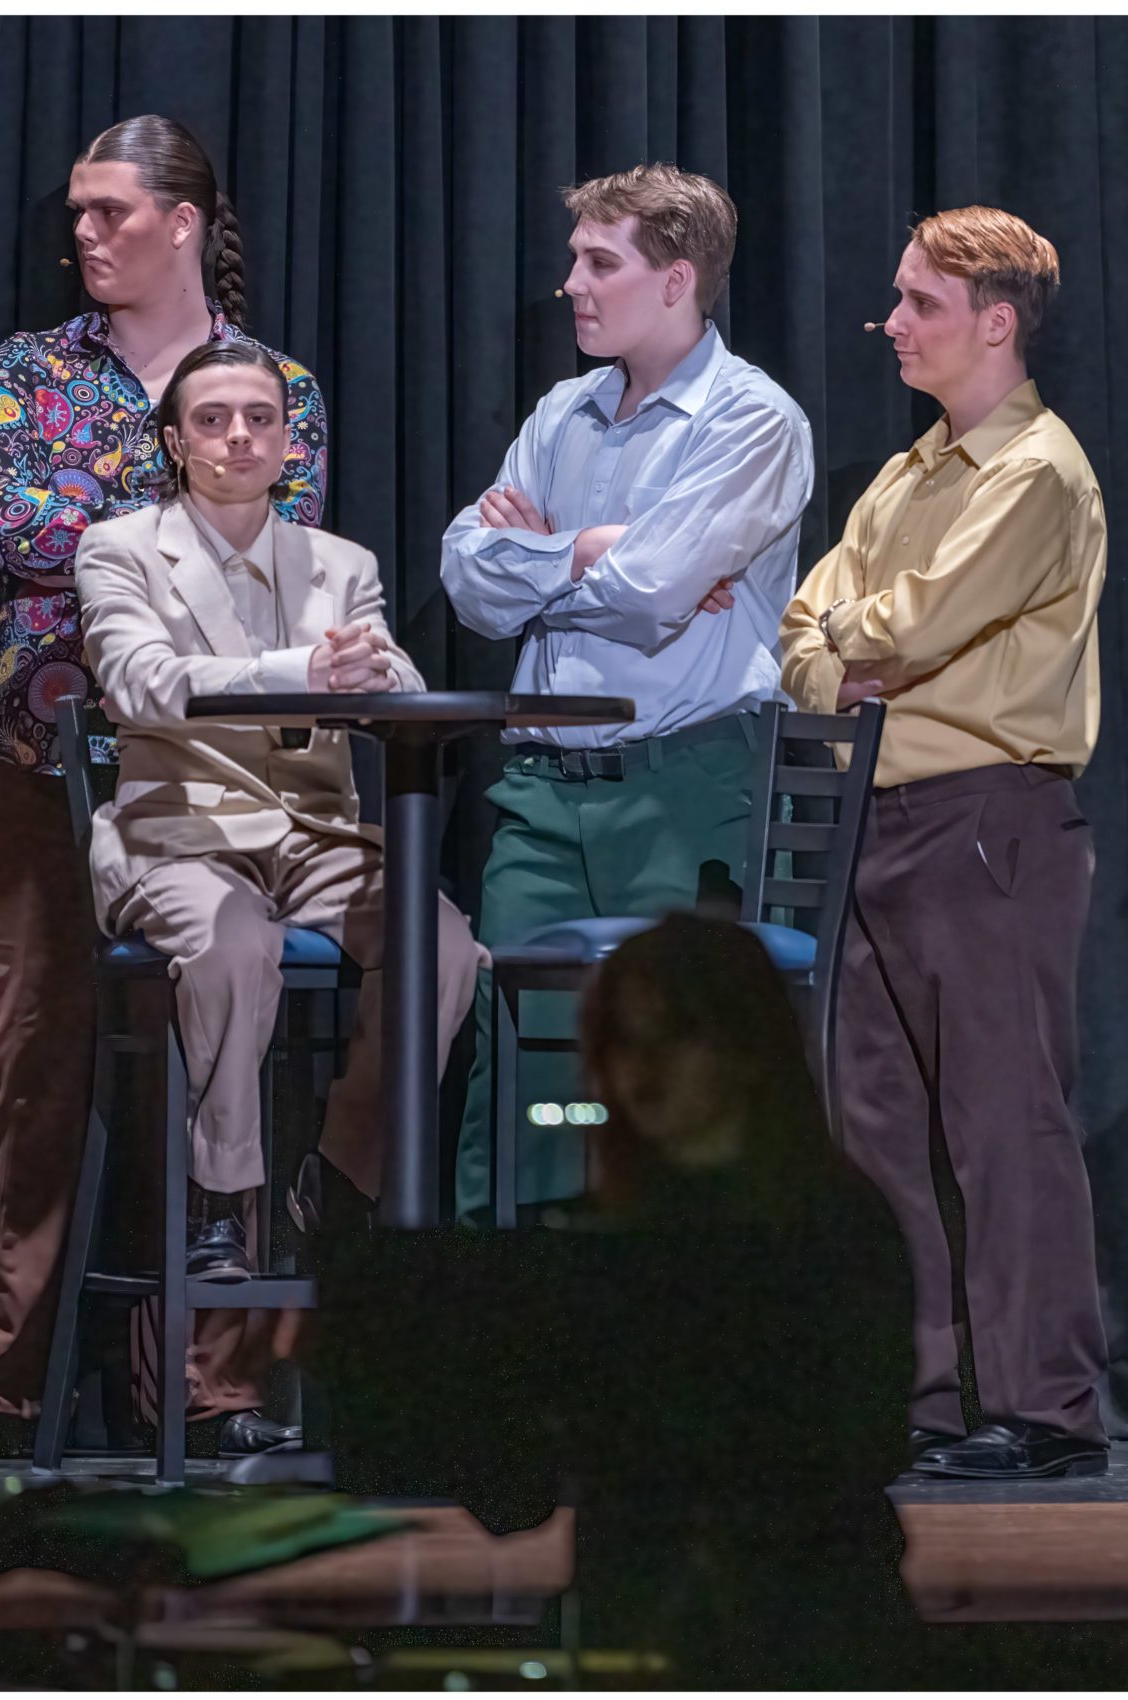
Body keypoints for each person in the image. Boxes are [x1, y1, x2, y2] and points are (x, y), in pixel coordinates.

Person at [0, 114, 329, 1461]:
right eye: (78, 214)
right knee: (18, 1062)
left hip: (207, 783)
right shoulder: (32, 372)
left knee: (214, 1066)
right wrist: (169, 535)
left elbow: (282, 545)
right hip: (39, 764)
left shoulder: (275, 385)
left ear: (185, 222)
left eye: (110, 212)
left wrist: (133, 547)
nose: (84, 234)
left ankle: (208, 1386)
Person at [311, 915, 916, 1686]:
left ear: (743, 1046)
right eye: (626, 1042)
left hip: (812, 1629)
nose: (644, 1068)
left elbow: (847, 1444)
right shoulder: (609, 1233)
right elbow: (511, 1482)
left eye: (675, 1036)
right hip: (635, 1624)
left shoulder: (835, 1225)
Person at [76, 341, 483, 1431]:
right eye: (213, 420)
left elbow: (391, 675)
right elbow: (140, 683)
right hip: (178, 833)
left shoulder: (336, 563)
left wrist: (376, 672)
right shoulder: (120, 550)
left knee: (443, 946)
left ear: (288, 439)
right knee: (232, 941)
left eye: (260, 418)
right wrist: (294, 674)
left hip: (310, 834)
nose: (240, 438)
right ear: (174, 443)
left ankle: (338, 1185)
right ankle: (226, 1199)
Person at [779, 206, 1111, 1481]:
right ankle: (914, 1396)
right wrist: (834, 659)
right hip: (881, 817)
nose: (893, 321)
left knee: (1001, 1120)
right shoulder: (914, 468)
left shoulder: (1033, 471)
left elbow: (903, 627)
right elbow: (807, 629)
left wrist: (850, 649)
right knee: (880, 1127)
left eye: (920, 302)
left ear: (995, 322)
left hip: (987, 818)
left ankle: (1042, 1407)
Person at [437, 163, 814, 1224]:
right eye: (575, 260)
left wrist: (548, 561)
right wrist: (588, 553)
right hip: (543, 792)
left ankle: (654, 1334)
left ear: (675, 280)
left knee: (661, 1072)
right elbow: (467, 577)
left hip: (680, 784)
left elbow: (652, 592)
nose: (572, 284)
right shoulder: (564, 413)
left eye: (599, 262)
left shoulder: (752, 420)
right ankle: (506, 1327)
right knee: (521, 1075)